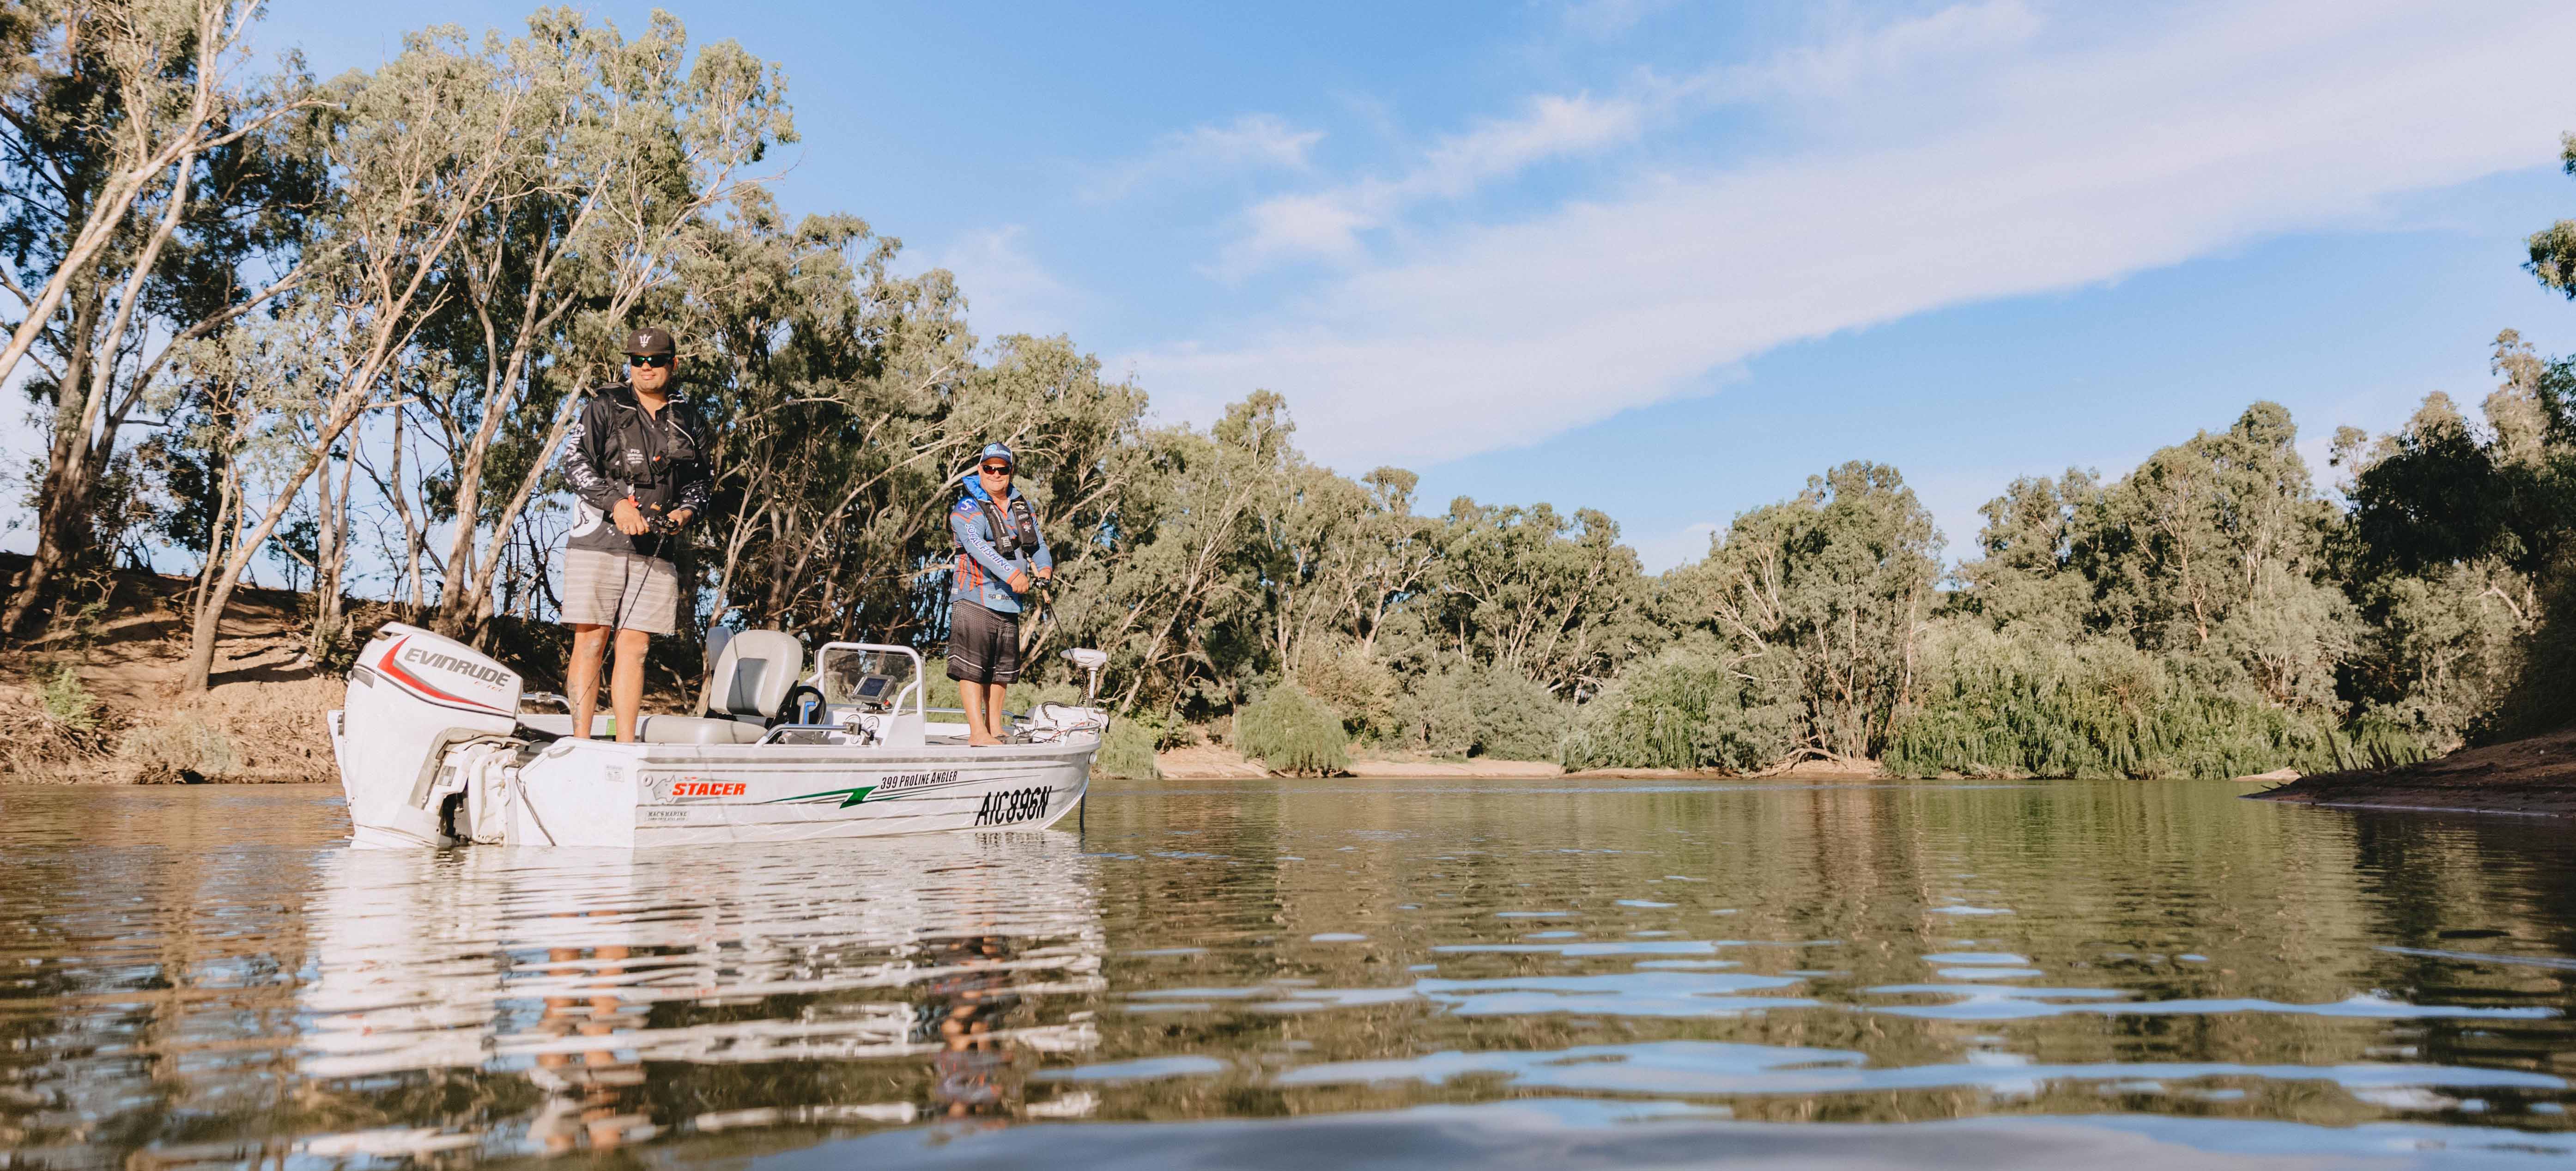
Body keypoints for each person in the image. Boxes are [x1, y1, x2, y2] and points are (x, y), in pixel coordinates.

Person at [558, 327, 710, 742]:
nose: (646, 367)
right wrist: (617, 504)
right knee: (591, 641)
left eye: (656, 360)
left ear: (672, 364)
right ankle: (580, 742)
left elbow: (701, 483)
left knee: (636, 648)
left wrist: (685, 511)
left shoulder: (691, 418)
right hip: (598, 541)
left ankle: (624, 746)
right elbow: (574, 462)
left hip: (655, 549)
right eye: (638, 360)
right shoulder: (604, 405)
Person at [948, 442, 1052, 746]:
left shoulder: (1022, 508)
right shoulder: (967, 507)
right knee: (973, 667)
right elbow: (974, 545)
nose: (995, 474)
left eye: (1002, 468)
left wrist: (1044, 569)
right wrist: (1012, 573)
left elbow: (1038, 546)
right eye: (989, 468)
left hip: (1008, 602)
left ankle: (995, 727)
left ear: (1010, 471)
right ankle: (977, 732)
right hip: (974, 596)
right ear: (980, 470)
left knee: (1000, 670)